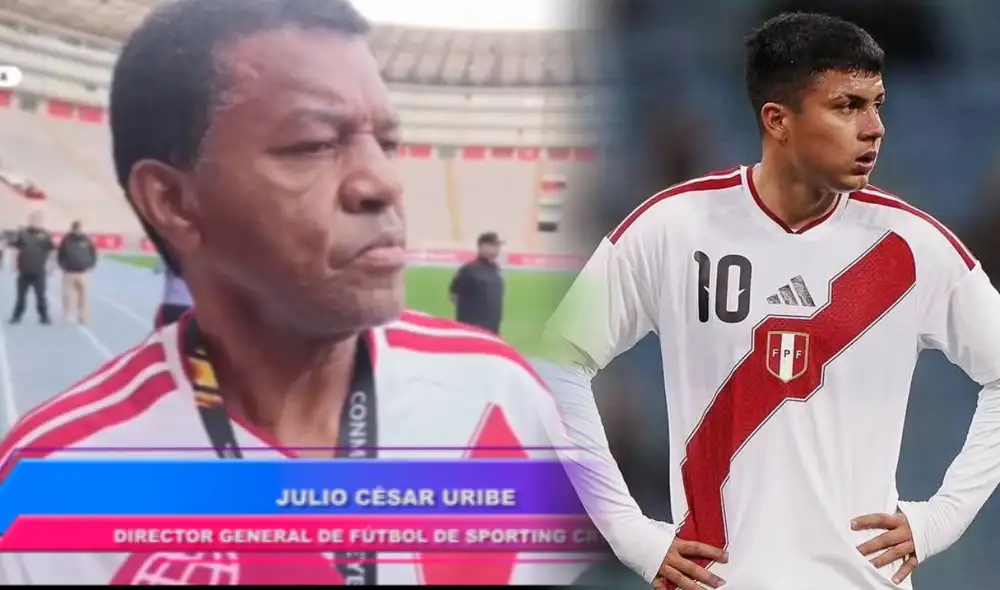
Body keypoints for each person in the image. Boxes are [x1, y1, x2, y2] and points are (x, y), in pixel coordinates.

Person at [0, 0, 585, 585]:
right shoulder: (54, 484)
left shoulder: (497, 396)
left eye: (387, 142)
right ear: (175, 202)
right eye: (313, 145)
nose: (382, 182)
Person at [539, 12, 1000, 590]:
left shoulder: (915, 247)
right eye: (846, 107)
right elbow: (556, 363)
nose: (875, 127)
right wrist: (630, 533)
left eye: (877, 104)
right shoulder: (672, 227)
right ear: (777, 121)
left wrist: (941, 518)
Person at [448, 232, 505, 334]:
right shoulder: (469, 270)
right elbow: (453, 295)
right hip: (473, 330)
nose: (498, 248)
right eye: (494, 245)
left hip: (493, 329)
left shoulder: (495, 269)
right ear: (483, 246)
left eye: (498, 245)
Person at [7, 211, 54, 325]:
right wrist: (13, 263)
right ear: (29, 220)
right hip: (24, 270)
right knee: (21, 297)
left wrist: (51, 267)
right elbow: (13, 247)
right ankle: (16, 316)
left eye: (37, 219)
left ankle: (44, 317)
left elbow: (52, 250)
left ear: (40, 221)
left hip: (39, 271)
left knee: (41, 296)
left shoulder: (45, 234)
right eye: (33, 219)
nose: (35, 221)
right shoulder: (22, 233)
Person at [56, 220, 98, 324]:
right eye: (75, 228)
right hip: (69, 272)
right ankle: (69, 314)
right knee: (68, 295)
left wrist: (90, 265)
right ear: (72, 229)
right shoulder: (66, 240)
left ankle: (82, 315)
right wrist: (63, 266)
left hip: (83, 272)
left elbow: (93, 253)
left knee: (83, 295)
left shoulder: (86, 240)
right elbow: (60, 254)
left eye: (78, 228)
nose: (77, 230)